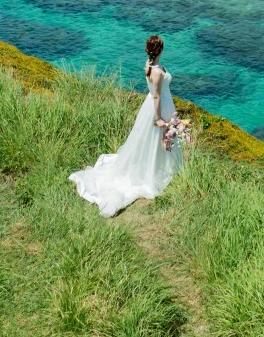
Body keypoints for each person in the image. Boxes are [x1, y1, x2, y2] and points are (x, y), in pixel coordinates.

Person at [70, 34, 184, 216]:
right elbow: (156, 96)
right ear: (160, 49)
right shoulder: (156, 71)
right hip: (158, 107)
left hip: (161, 103)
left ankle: (158, 168)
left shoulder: (148, 64)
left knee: (153, 141)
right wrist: (158, 118)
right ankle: (155, 172)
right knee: (157, 138)